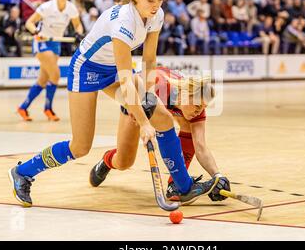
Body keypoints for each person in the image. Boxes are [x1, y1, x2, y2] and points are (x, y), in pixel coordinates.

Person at [8, 0, 219, 208]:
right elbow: (126, 76)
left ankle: (183, 187)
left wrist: (148, 98)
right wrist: (142, 123)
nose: (156, 5)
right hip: (87, 69)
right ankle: (23, 172)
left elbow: (149, 60)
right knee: (80, 146)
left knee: (160, 115)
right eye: (151, 0)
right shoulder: (123, 22)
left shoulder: (156, 15)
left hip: (116, 71)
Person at [89, 66, 231, 203]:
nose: (199, 112)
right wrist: (139, 111)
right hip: (134, 102)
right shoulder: (160, 85)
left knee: (189, 127)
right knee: (124, 162)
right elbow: (133, 83)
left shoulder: (195, 109)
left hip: (158, 108)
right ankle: (107, 160)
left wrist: (217, 176)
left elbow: (200, 146)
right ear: (186, 94)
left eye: (203, 108)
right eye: (198, 106)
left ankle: (175, 184)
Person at [17, 0, 83, 122]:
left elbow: (78, 26)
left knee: (43, 80)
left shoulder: (71, 8)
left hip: (56, 43)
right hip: (42, 42)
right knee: (55, 75)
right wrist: (36, 31)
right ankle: (48, 108)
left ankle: (23, 107)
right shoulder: (47, 7)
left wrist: (78, 34)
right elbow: (29, 22)